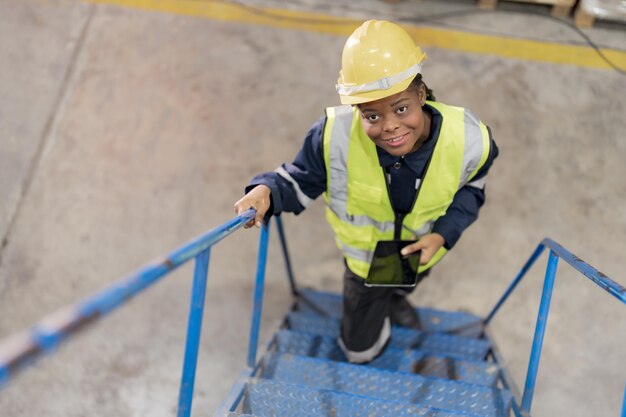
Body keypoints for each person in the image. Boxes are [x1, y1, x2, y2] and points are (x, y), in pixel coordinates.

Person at [233, 20, 498, 364]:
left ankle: (395, 300)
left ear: (421, 94)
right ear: (356, 108)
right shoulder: (333, 136)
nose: (389, 126)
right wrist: (266, 189)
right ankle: (370, 338)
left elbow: (471, 190)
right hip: (364, 264)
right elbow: (300, 179)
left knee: (402, 286)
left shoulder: (470, 139)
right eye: (371, 115)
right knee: (358, 349)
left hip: (420, 251)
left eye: (401, 108)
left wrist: (442, 236)